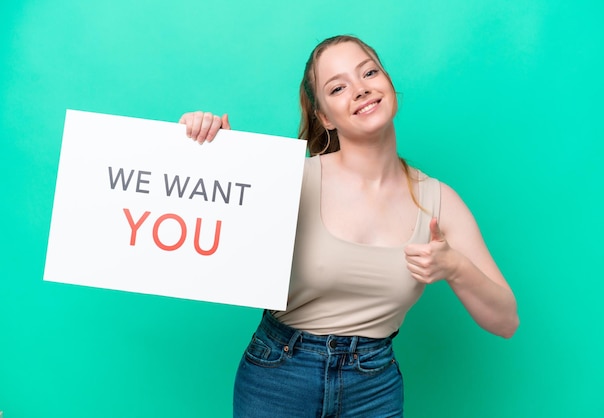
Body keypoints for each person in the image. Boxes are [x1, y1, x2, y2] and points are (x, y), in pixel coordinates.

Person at [179, 35, 519, 417]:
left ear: (388, 83)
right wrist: (208, 150)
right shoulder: (289, 180)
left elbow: (505, 321)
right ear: (324, 116)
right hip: (278, 378)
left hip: (373, 387)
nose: (360, 89)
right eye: (338, 87)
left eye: (369, 72)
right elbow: (214, 239)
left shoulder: (439, 201)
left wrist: (454, 266)